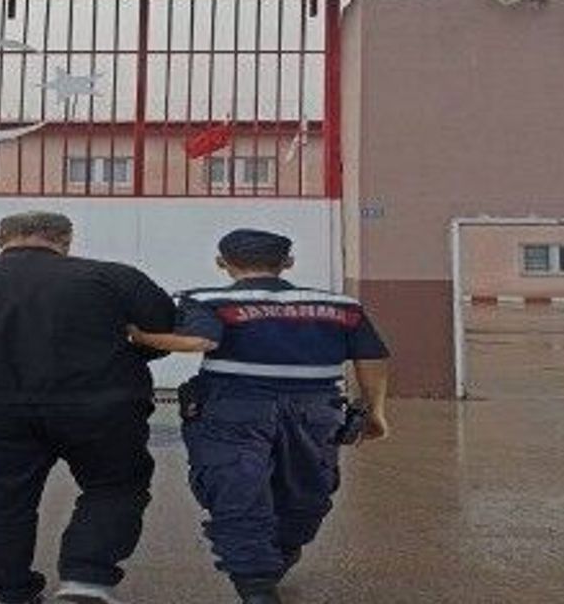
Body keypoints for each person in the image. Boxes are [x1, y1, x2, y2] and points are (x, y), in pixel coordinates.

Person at [0, 212, 177, 604]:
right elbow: (164, 331)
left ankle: (8, 593)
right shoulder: (116, 277)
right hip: (102, 405)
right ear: (66, 239)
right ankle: (86, 581)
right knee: (114, 485)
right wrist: (128, 355)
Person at [128, 229, 391, 604]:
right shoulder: (340, 306)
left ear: (222, 263)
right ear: (288, 263)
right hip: (315, 411)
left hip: (234, 409)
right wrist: (375, 411)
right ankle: (278, 556)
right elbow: (371, 357)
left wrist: (142, 338)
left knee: (236, 490)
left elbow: (200, 341)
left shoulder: (207, 299)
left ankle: (256, 583)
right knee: (305, 491)